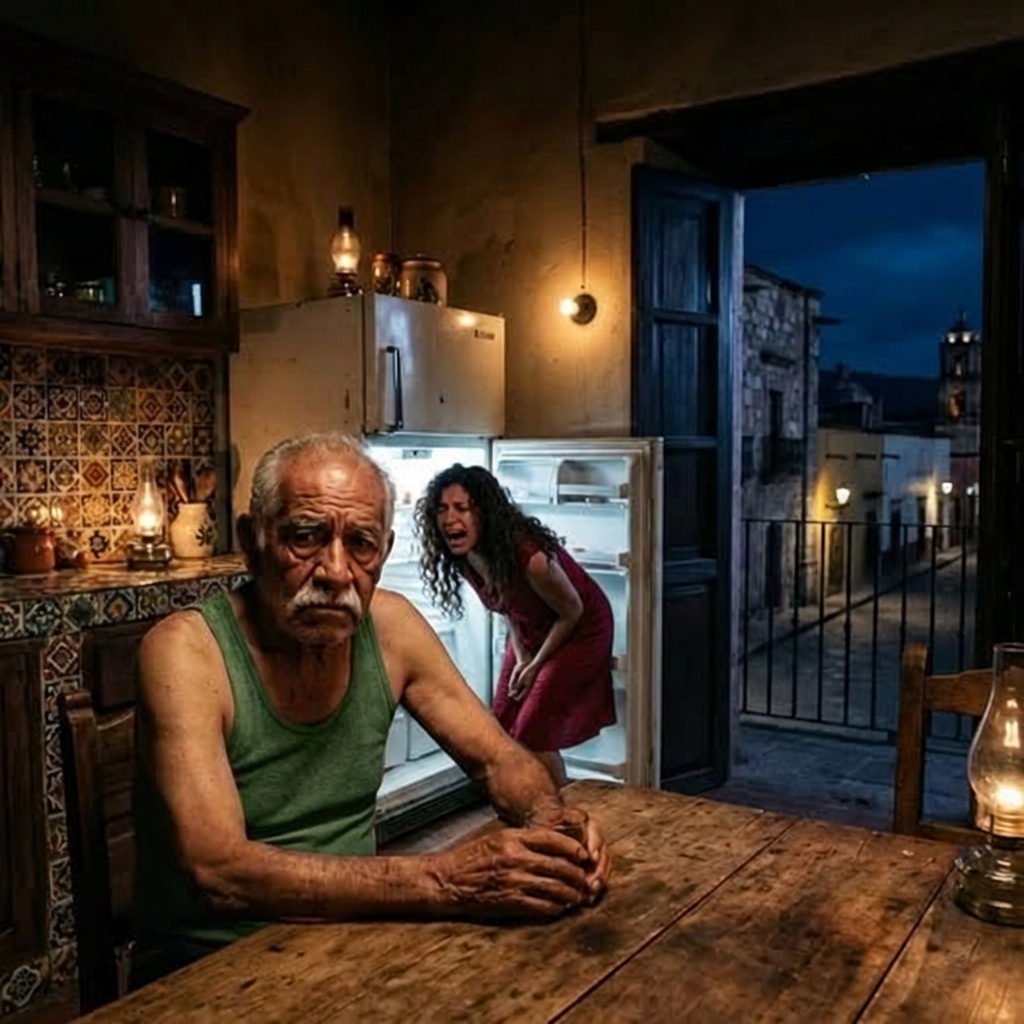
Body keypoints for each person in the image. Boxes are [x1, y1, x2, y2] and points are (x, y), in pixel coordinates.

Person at [131, 433, 609, 985]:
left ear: (384, 549)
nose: (336, 572)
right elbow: (219, 871)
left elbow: (500, 760)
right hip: (206, 971)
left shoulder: (391, 626)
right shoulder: (185, 652)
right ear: (252, 541)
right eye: (306, 537)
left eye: (360, 545)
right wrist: (442, 880)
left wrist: (549, 823)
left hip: (355, 941)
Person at [415, 464, 616, 789]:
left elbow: (572, 610)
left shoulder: (529, 555)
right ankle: (525, 804)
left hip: (581, 629)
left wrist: (535, 665)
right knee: (504, 721)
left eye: (461, 508)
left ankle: (560, 812)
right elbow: (507, 605)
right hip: (532, 629)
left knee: (533, 730)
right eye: (442, 509)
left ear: (484, 513)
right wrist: (522, 656)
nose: (449, 519)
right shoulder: (467, 556)